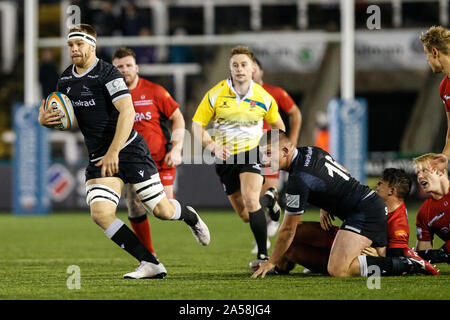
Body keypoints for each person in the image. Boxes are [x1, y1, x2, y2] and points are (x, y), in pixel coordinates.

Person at [38, 24, 210, 279]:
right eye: (71, 45)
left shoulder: (108, 73)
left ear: (92, 45)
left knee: (161, 211)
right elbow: (73, 119)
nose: (74, 49)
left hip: (129, 149)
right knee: (100, 214)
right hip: (99, 155)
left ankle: (189, 216)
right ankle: (150, 262)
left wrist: (114, 151)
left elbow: (127, 112)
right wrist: (48, 121)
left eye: (79, 44)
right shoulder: (65, 79)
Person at [251, 130, 439, 278]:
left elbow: (287, 229)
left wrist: (271, 261)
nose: (265, 159)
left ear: (285, 151)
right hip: (364, 205)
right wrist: (326, 204)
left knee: (338, 270)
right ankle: (283, 268)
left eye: (268, 153)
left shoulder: (297, 180)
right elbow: (342, 171)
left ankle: (403, 264)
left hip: (365, 212)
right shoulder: (311, 150)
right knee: (295, 237)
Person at [192, 46, 286, 266]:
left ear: (253, 68)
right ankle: (269, 201)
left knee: (251, 199)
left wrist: (268, 148)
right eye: (235, 65)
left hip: (250, 154)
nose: (239, 69)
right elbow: (197, 124)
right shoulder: (216, 93)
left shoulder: (263, 97)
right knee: (245, 214)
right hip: (224, 159)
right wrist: (211, 145)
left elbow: (279, 126)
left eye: (244, 65)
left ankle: (263, 256)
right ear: (230, 68)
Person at [266, 168, 431, 275]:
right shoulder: (371, 201)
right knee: (295, 231)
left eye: (380, 184)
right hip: (342, 236)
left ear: (392, 191)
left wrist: (378, 258)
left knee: (290, 250)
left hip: (347, 253)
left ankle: (281, 268)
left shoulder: (398, 222)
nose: (376, 186)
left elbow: (395, 256)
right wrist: (326, 206)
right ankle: (280, 268)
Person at [112, 47, 185, 256]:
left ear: (137, 67)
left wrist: (177, 147)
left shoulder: (155, 91)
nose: (124, 70)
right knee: (134, 204)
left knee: (165, 211)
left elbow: (177, 117)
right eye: (119, 67)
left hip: (161, 159)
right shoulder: (110, 97)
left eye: (128, 66)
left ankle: (190, 217)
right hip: (133, 161)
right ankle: (148, 255)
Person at [252, 58, 302, 240]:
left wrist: (292, 139)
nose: (250, 72)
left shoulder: (274, 92)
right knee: (251, 201)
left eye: (254, 68)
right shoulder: (238, 95)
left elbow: (295, 113)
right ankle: (273, 212)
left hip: (270, 149)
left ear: (261, 72)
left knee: (267, 190)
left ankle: (272, 219)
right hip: (248, 150)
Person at [420, 26, 450, 169]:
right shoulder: (444, 86)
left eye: (427, 55)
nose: (427, 60)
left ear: (435, 52)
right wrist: (444, 158)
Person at [413, 153, 450, 264]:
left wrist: (444, 252)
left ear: (441, 172)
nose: (419, 177)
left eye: (424, 170)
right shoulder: (425, 212)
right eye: (418, 173)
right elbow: (425, 255)